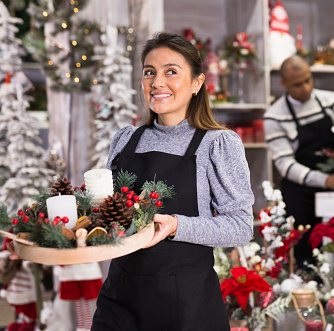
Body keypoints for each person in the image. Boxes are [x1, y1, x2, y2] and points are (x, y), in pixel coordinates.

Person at [91, 32, 255, 330]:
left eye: (171, 72)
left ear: (197, 83)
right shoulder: (125, 140)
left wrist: (176, 225)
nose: (157, 82)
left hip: (186, 305)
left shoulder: (217, 144)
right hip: (120, 298)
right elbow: (104, 214)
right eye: (149, 72)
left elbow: (241, 228)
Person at [263, 55, 334, 268]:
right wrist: (326, 181)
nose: (305, 88)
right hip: (301, 195)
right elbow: (286, 166)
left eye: (308, 80)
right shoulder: (275, 116)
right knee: (308, 256)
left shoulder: (331, 101)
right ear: (283, 84)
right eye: (297, 84)